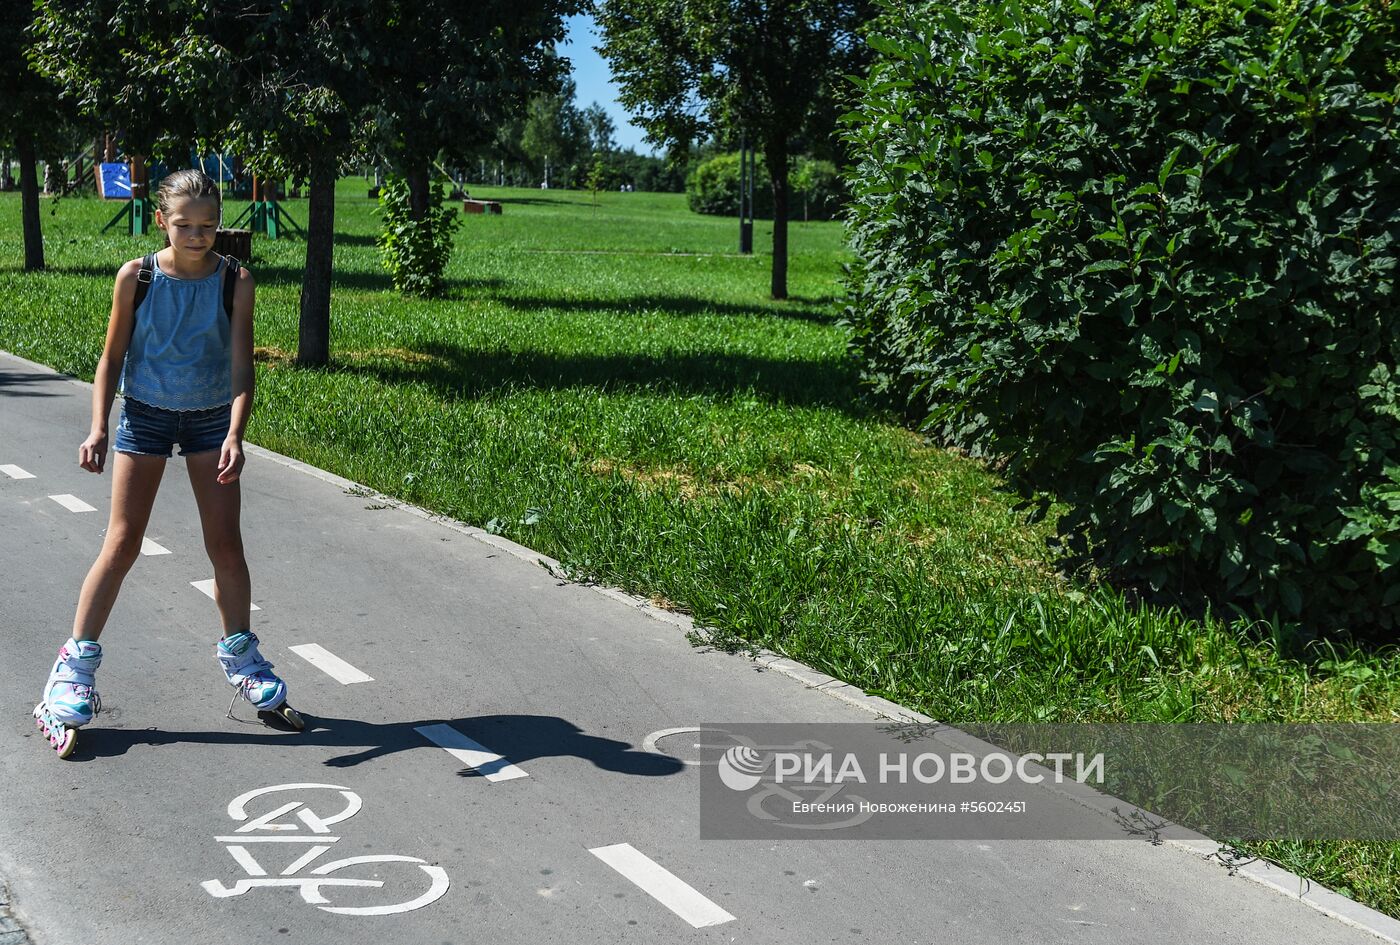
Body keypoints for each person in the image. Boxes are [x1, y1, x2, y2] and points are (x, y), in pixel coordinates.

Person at [34, 169, 299, 757]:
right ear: (162, 221)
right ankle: (72, 670)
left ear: (220, 221)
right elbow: (111, 357)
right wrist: (98, 425)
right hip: (146, 414)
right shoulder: (138, 276)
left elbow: (240, 365)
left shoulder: (236, 280)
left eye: (208, 225)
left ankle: (242, 657)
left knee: (225, 546)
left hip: (210, 421)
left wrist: (236, 431)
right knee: (122, 542)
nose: (198, 235)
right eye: (185, 225)